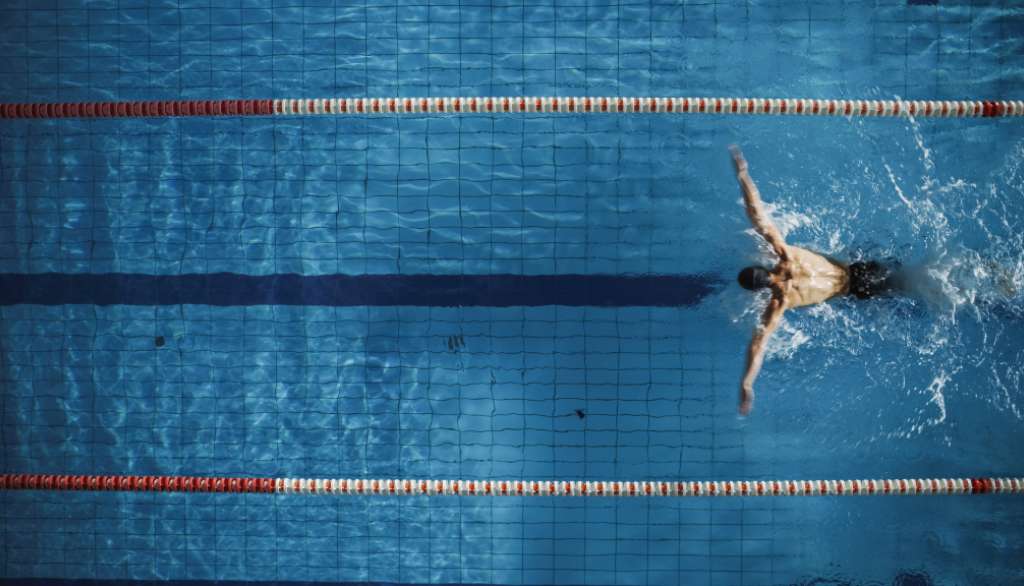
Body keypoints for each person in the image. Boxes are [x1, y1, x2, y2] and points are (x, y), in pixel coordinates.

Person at [731, 146, 899, 415]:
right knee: (905, 272)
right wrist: (743, 175)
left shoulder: (779, 303)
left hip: (858, 292)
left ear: (758, 291)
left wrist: (747, 383)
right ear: (760, 265)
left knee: (906, 290)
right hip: (861, 270)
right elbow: (757, 214)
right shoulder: (784, 253)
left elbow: (757, 345)